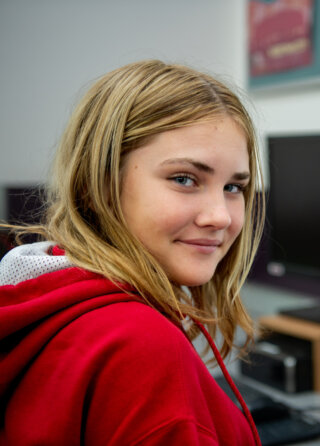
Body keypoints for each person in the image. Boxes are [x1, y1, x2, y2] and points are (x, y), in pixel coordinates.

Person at [0, 60, 266, 445]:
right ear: (101, 184)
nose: (220, 217)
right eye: (184, 179)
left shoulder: (43, 287)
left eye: (233, 187)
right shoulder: (143, 347)